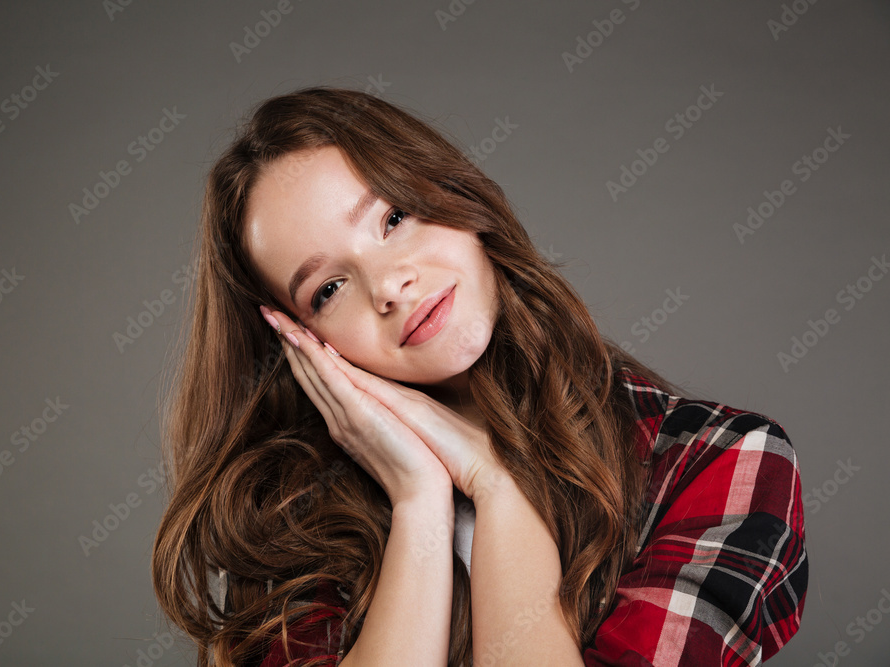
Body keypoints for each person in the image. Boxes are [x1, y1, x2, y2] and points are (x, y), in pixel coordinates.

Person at [150, 86, 808, 666]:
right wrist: (418, 498)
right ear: (303, 343)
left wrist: (496, 485)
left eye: (394, 218)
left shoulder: (717, 462)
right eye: (328, 288)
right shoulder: (291, 522)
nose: (389, 285)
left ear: (456, 193)